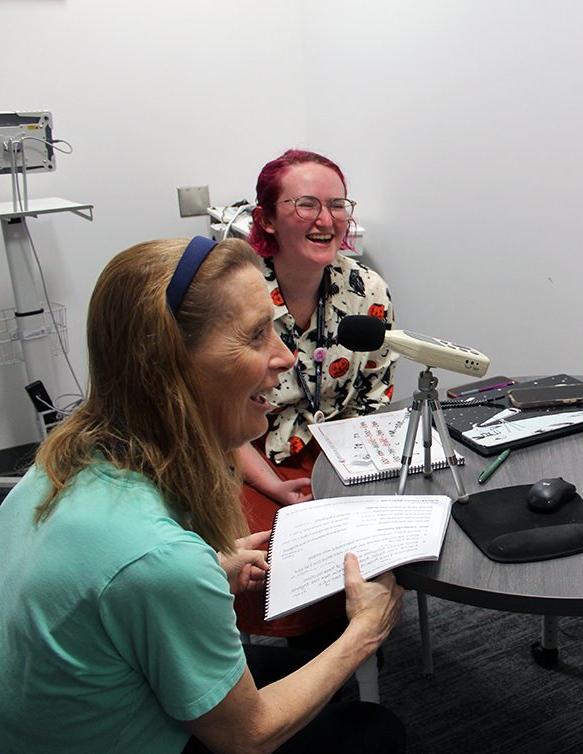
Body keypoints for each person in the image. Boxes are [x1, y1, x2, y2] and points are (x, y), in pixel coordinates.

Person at [0, 237, 406, 754]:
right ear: (167, 363)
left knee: (314, 681)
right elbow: (246, 737)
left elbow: (100, 589)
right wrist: (365, 631)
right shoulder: (159, 559)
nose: (284, 356)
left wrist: (212, 567)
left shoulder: (59, 465)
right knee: (375, 730)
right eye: (256, 335)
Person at [234, 149, 398, 641]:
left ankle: (350, 652)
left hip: (342, 451)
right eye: (306, 205)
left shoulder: (366, 290)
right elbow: (213, 415)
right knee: (267, 567)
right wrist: (272, 484)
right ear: (266, 218)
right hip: (249, 450)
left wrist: (353, 476)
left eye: (338, 205)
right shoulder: (238, 296)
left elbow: (374, 394)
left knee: (374, 549)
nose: (326, 220)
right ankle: (288, 677)